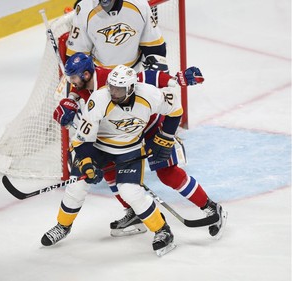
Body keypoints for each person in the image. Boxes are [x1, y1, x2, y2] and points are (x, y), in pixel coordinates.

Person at [53, 52, 227, 239]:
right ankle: (133, 213)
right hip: (119, 134)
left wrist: (175, 80)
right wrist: (70, 101)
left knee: (167, 173)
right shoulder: (87, 83)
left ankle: (210, 207)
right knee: (110, 169)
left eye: (73, 77)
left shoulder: (109, 79)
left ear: (86, 74)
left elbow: (146, 77)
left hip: (148, 126)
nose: (72, 81)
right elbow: (80, 93)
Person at [42, 65, 183, 256]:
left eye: (119, 89)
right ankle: (63, 226)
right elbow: (83, 139)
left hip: (130, 148)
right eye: (111, 87)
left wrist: (166, 137)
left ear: (132, 88)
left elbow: (175, 111)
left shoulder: (150, 95)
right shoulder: (99, 99)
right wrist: (87, 162)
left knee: (130, 191)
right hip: (98, 147)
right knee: (77, 186)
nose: (114, 92)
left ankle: (162, 230)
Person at [66, 0, 166, 70]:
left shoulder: (139, 4)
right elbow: (76, 56)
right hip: (100, 78)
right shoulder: (84, 9)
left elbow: (155, 48)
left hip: (135, 74)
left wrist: (157, 78)